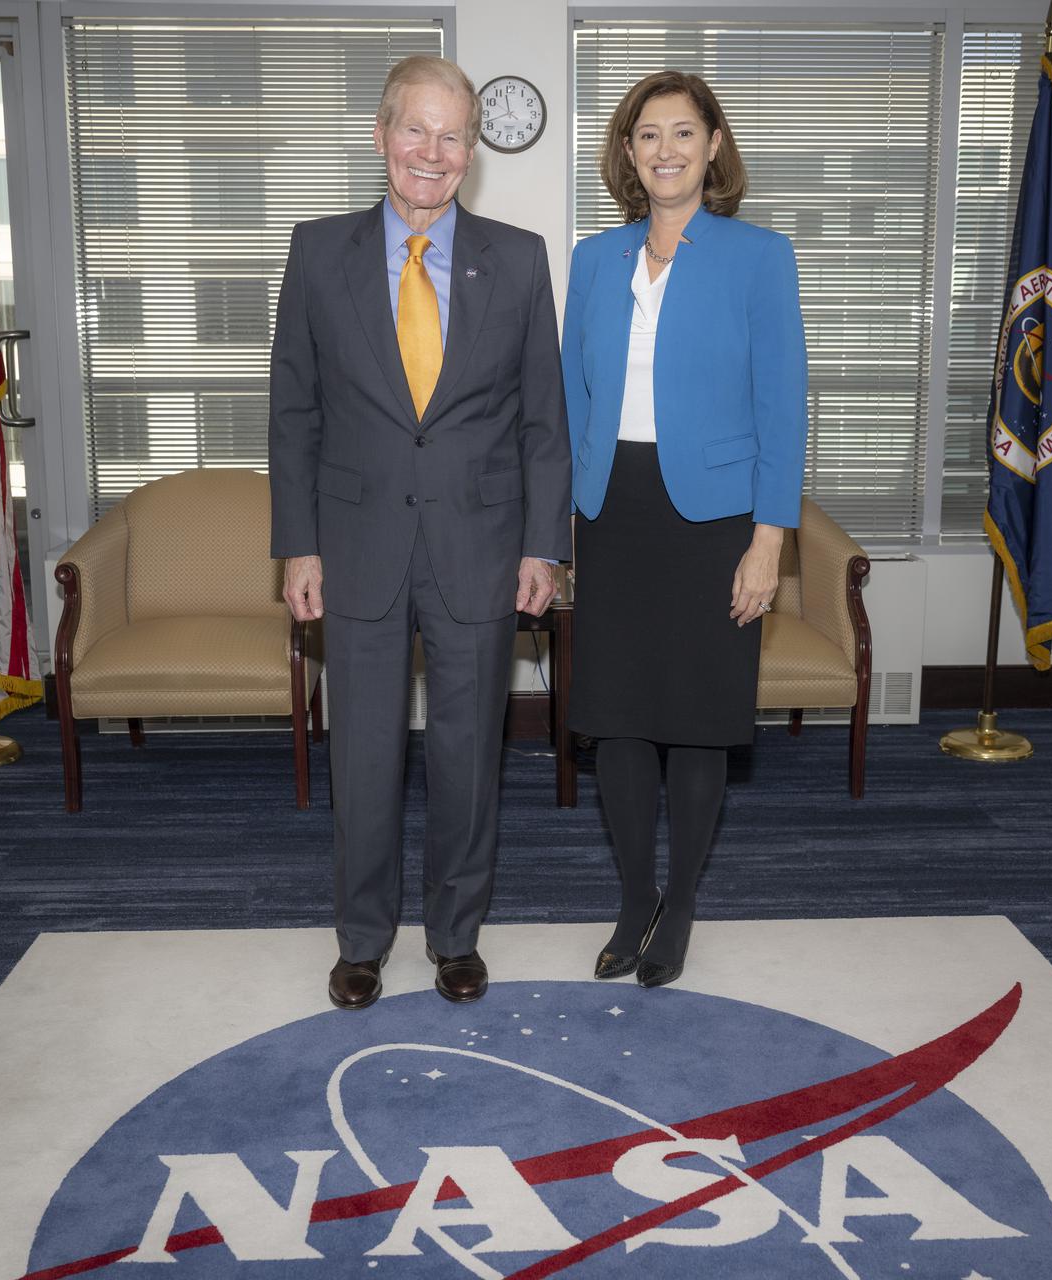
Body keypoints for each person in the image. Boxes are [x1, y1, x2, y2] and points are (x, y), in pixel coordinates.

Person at [269, 56, 572, 1010]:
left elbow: (542, 422)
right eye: (416, 131)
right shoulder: (317, 253)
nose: (432, 154)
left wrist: (543, 547)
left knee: (465, 753)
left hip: (481, 548)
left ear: (471, 152)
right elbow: (294, 414)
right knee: (361, 753)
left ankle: (456, 936)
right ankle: (362, 940)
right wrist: (297, 544)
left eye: (452, 137)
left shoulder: (518, 259)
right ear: (381, 135)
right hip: (353, 547)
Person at [562, 70, 808, 988]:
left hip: (716, 519)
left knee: (699, 721)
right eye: (646, 135)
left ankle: (684, 903)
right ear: (627, 153)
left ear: (713, 147)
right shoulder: (593, 259)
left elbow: (784, 406)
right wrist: (561, 527)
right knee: (618, 721)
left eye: (682, 133)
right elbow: (570, 395)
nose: (664, 150)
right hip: (613, 510)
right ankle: (635, 900)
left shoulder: (759, 257)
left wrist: (770, 538)